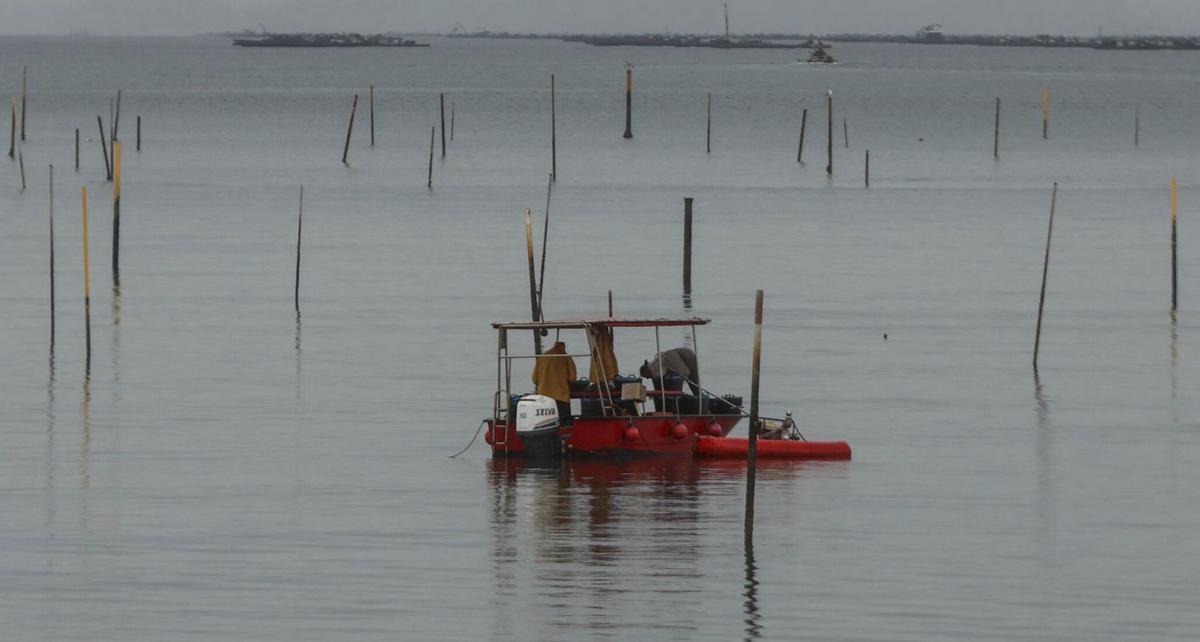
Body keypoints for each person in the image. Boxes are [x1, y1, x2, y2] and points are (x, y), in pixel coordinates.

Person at [532, 341, 576, 425]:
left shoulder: (543, 357)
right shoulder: (566, 357)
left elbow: (534, 379)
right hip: (561, 397)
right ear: (563, 347)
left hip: (543, 397)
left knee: (545, 423)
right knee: (562, 423)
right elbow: (572, 378)